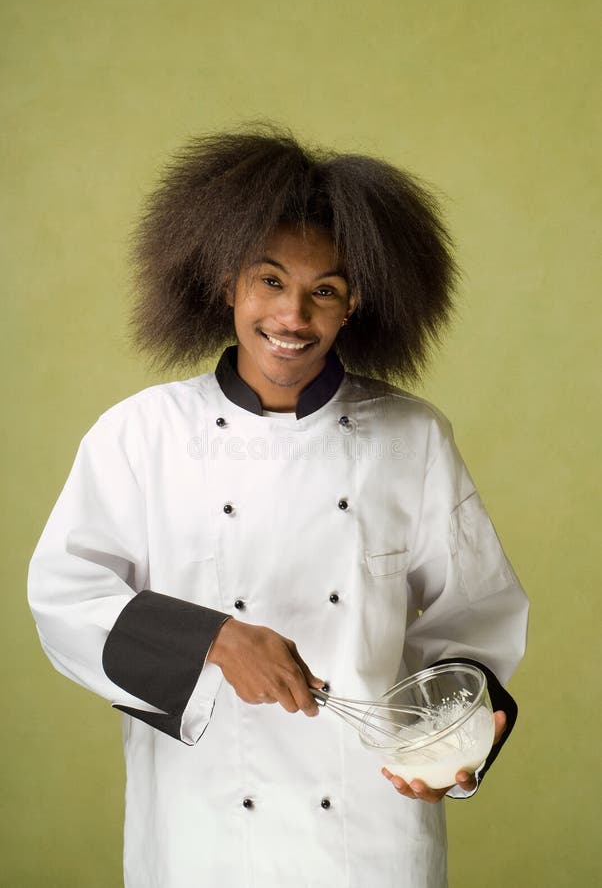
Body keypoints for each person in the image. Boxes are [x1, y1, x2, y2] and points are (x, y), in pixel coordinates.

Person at [28, 127, 529, 888]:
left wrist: (459, 744)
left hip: (372, 832)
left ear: (353, 303)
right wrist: (216, 638)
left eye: (323, 290)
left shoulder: (413, 438)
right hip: (202, 828)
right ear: (227, 282)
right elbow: (65, 598)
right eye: (269, 281)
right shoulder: (141, 434)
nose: (293, 316)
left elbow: (474, 620)